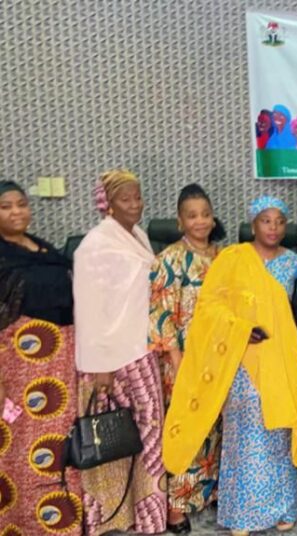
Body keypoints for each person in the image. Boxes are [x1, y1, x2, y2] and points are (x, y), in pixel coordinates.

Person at [162, 196, 297, 536]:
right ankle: (242, 514)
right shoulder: (233, 258)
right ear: (253, 224)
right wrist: (241, 330)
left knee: (278, 432)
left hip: (279, 358)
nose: (273, 228)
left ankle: (283, 506)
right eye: (265, 220)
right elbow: (211, 308)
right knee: (244, 435)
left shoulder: (294, 263)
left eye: (279, 221)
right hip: (241, 360)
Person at [74, 169, 167, 534]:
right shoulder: (96, 245)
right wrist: (101, 367)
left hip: (141, 349)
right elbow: (89, 307)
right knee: (111, 439)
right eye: (125, 199)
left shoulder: (138, 235)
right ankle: (106, 518)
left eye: (137, 197)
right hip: (111, 358)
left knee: (146, 438)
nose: (134, 205)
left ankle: (146, 517)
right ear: (108, 204)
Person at [0, 181, 83, 535]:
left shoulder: (43, 248)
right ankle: (25, 524)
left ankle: (65, 521)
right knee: (22, 443)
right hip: (18, 367)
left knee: (62, 442)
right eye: (7, 206)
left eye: (21, 204)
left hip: (60, 365)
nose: (17, 211)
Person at [149, 184, 226, 533]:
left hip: (221, 360)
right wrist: (179, 365)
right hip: (184, 362)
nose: (201, 222)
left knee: (217, 430)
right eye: (192, 216)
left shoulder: (224, 257)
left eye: (206, 214)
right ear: (180, 221)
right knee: (187, 431)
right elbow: (162, 315)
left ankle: (208, 493)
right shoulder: (169, 260)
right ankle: (177, 507)